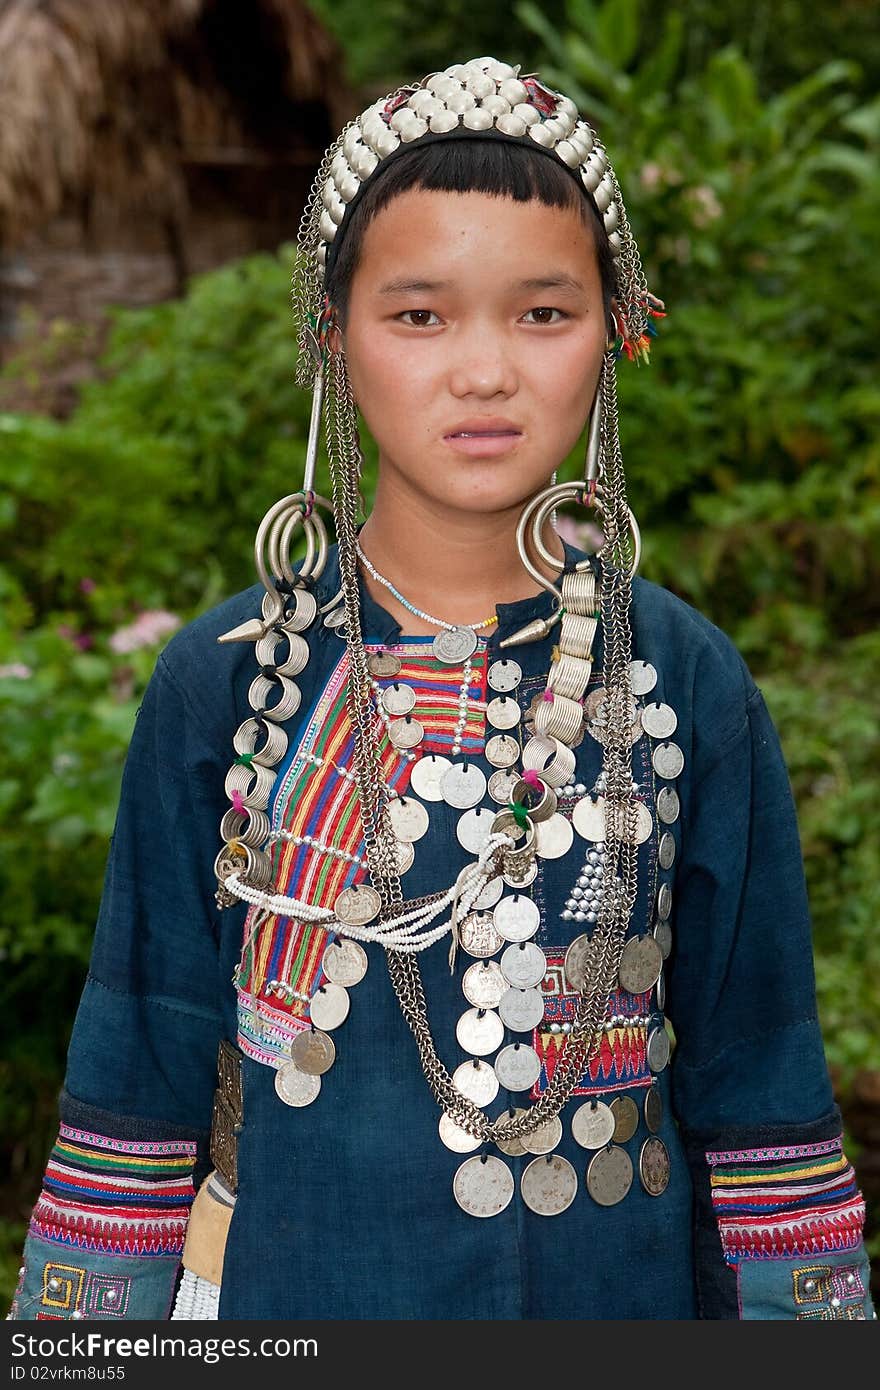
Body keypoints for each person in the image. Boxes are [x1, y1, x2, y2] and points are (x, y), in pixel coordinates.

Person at [9, 56, 873, 1323]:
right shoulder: (231, 682)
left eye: (542, 314)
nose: (485, 372)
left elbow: (761, 1093)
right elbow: (135, 1076)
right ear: (331, 335)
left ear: (618, 332)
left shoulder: (682, 681)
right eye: (419, 316)